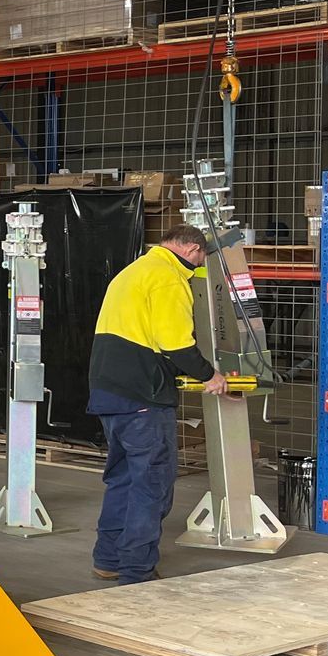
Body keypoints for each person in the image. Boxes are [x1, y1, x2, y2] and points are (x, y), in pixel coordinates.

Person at [86, 225, 227, 585]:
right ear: (193, 250)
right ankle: (136, 570)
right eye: (201, 260)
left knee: (122, 478)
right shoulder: (167, 277)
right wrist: (210, 376)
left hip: (109, 391)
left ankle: (108, 558)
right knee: (152, 484)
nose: (198, 268)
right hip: (142, 398)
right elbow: (175, 342)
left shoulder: (134, 271)